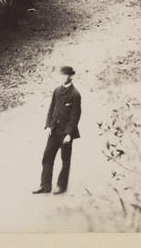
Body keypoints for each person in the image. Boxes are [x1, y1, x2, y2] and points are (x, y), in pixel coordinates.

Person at [32, 65, 82, 195]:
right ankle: (45, 186)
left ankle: (61, 186)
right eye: (61, 75)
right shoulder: (56, 91)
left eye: (65, 75)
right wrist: (48, 125)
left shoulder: (75, 94)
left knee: (65, 160)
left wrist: (69, 134)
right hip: (54, 131)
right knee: (47, 157)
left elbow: (75, 116)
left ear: (70, 76)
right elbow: (51, 109)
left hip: (65, 133)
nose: (63, 77)